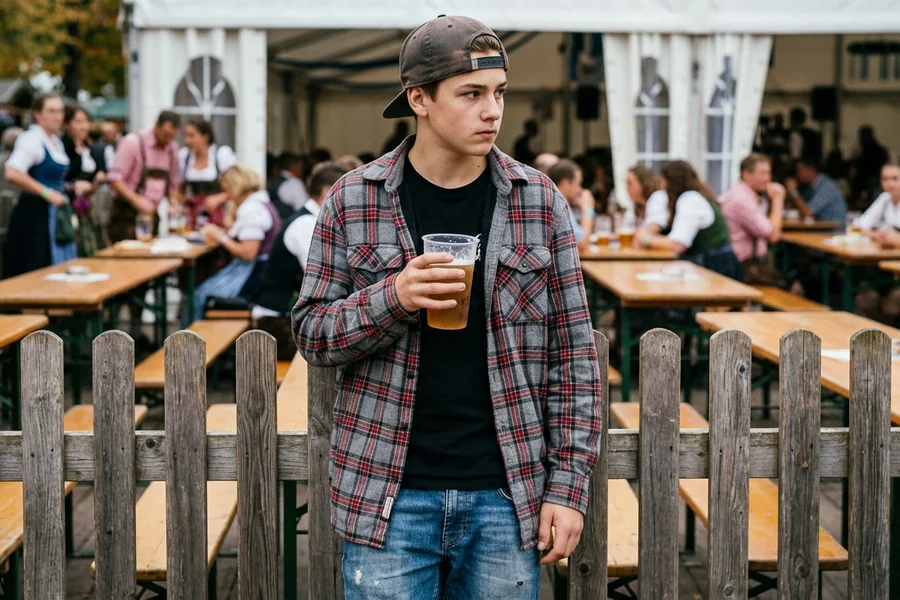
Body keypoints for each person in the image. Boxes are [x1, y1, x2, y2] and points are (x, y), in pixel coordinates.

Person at [292, 15, 601, 599]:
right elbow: (312, 333)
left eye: (499, 93)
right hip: (388, 494)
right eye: (471, 94)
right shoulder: (353, 199)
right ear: (420, 100)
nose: (492, 111)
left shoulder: (538, 201)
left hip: (506, 494)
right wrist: (394, 297)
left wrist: (568, 485)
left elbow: (575, 358)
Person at [248, 163, 347, 319]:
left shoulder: (314, 221)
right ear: (327, 192)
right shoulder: (306, 224)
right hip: (276, 318)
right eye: (348, 193)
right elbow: (322, 278)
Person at [189, 163, 280, 324]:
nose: (227, 196)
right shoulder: (259, 203)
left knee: (200, 295)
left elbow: (248, 253)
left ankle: (194, 337)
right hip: (261, 273)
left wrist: (219, 236)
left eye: (227, 190)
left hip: (253, 275)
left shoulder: (251, 209)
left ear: (235, 187)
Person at [3, 94, 77, 278]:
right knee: (36, 269)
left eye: (60, 111)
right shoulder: (32, 138)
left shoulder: (55, 141)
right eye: (51, 111)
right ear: (37, 114)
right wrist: (46, 192)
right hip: (35, 214)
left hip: (54, 214)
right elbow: (12, 172)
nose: (57, 116)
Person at [639, 160, 741, 279]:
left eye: (662, 181)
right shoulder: (694, 197)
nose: (661, 187)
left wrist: (645, 238)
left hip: (715, 269)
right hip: (714, 266)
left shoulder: (691, 199)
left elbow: (678, 244)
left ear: (670, 183)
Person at [107, 110, 181, 243]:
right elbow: (114, 179)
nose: (168, 140)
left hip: (152, 215)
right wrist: (137, 201)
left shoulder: (172, 149)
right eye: (165, 135)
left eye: (172, 136)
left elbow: (172, 184)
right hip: (126, 215)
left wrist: (173, 203)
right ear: (156, 126)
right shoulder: (133, 142)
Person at [720, 154, 787, 282]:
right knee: (786, 284)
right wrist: (778, 199)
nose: (768, 178)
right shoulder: (742, 199)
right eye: (762, 173)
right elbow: (772, 236)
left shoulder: (747, 194)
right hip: (741, 267)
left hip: (746, 263)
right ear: (746, 174)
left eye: (768, 173)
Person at [62, 104, 105, 257]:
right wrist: (74, 186)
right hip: (67, 207)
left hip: (86, 208)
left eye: (86, 121)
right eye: (78, 122)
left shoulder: (90, 149)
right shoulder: (62, 148)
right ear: (67, 124)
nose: (83, 126)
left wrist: (96, 182)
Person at [177, 119, 237, 229]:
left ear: (205, 136)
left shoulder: (221, 155)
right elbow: (180, 189)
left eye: (191, 136)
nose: (187, 140)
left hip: (218, 216)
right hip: (193, 216)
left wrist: (218, 198)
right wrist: (178, 205)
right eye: (186, 136)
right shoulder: (185, 157)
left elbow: (239, 188)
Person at [786, 155, 848, 230]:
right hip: (821, 229)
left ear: (811, 169)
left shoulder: (826, 186)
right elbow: (799, 208)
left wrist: (793, 191)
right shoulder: (810, 187)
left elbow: (807, 213)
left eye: (799, 170)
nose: (797, 174)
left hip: (834, 232)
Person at [548, 159, 596, 249]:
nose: (579, 190)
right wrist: (588, 210)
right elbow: (582, 244)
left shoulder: (553, 201)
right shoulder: (559, 206)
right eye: (578, 184)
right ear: (565, 184)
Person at [857, 161, 900, 238]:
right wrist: (875, 235)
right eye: (885, 179)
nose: (890, 184)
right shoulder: (885, 198)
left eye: (895, 178)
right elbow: (860, 224)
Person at [624, 164, 669, 235]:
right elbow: (625, 229)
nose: (627, 188)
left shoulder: (658, 197)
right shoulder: (634, 208)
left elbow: (652, 230)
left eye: (630, 184)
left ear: (643, 183)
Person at [852, 125, 889, 206]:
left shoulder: (867, 149)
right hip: (872, 178)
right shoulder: (876, 149)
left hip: (870, 179)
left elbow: (862, 165)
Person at [266, 152, 309, 220]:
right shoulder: (295, 183)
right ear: (294, 166)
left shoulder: (271, 181)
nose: (302, 170)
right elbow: (303, 207)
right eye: (301, 167)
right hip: (290, 222)